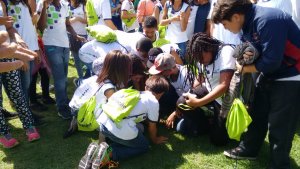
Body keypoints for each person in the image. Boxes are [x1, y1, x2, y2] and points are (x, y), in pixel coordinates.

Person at [212, 0, 300, 168]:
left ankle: (279, 164)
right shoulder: (249, 22)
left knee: (280, 124)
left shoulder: (267, 19)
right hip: (270, 73)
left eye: (224, 24)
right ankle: (249, 149)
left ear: (236, 17)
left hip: (292, 74)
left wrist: (245, 68)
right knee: (257, 114)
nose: (225, 28)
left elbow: (272, 61)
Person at [97, 75, 169, 167]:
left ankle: (102, 147)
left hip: (103, 126)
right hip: (116, 130)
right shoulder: (153, 102)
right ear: (161, 94)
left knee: (140, 129)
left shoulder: (129, 91)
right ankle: (107, 154)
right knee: (143, 146)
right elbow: (152, 127)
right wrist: (155, 140)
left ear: (146, 87)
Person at [178, 33, 235, 145]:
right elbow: (200, 78)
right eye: (197, 58)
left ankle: (218, 120)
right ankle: (206, 123)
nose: (199, 60)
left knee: (218, 141)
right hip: (209, 89)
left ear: (209, 48)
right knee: (182, 102)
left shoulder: (226, 52)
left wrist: (198, 102)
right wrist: (190, 92)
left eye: (201, 57)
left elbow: (224, 86)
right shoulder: (200, 56)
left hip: (226, 98)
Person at [65, 50, 132, 138]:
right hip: (86, 117)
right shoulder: (109, 88)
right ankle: (101, 131)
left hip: (75, 109)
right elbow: (117, 107)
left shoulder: (96, 77)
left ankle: (75, 122)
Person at [37, 0, 85, 119]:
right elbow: (41, 27)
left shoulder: (65, 5)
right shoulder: (44, 4)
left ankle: (63, 100)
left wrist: (75, 35)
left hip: (65, 45)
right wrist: (44, 7)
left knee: (63, 77)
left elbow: (67, 24)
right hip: (51, 45)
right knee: (59, 78)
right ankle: (62, 107)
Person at [68, 0, 88, 85]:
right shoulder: (66, 5)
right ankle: (81, 78)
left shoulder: (83, 5)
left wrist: (77, 18)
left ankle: (88, 77)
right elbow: (65, 22)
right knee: (76, 59)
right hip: (71, 35)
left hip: (83, 35)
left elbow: (87, 21)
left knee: (86, 58)